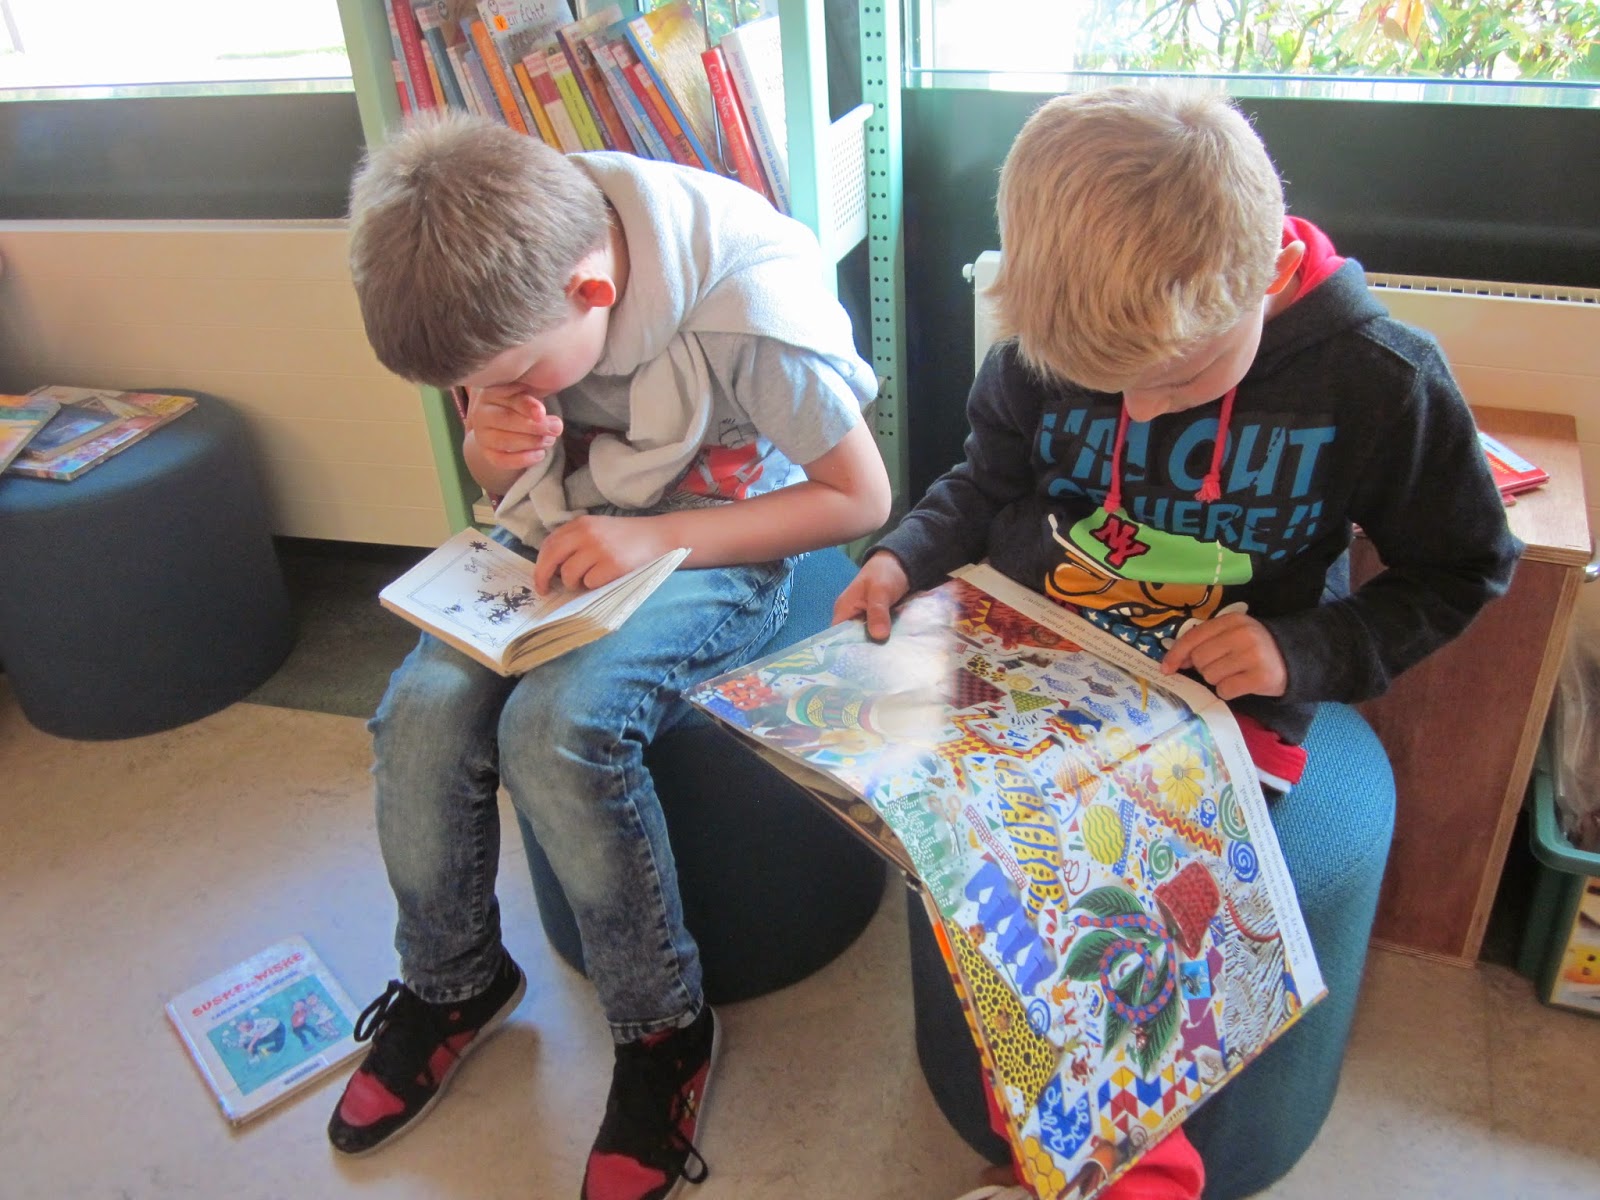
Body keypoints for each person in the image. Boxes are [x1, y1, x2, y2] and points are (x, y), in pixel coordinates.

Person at [835, 82, 1520, 1200]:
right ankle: (1047, 1142)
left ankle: (1130, 1177)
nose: (1145, 412)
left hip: (1217, 705)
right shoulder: (1047, 333)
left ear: (1268, 275)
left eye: (1184, 379)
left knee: (1115, 913)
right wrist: (901, 556)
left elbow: (1464, 567)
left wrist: (1303, 649)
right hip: (1027, 655)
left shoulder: (1379, 380)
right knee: (967, 858)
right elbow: (983, 481)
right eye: (1109, 386)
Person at [333, 111, 891, 1200]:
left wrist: (655, 536)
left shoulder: (747, 316)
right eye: (481, 386)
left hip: (722, 532)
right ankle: (452, 978)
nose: (514, 394)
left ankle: (662, 1029)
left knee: (558, 728)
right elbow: (506, 478)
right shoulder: (509, 279)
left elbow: (858, 497)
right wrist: (491, 445)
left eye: (519, 376)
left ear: (591, 293)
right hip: (569, 524)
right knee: (421, 711)